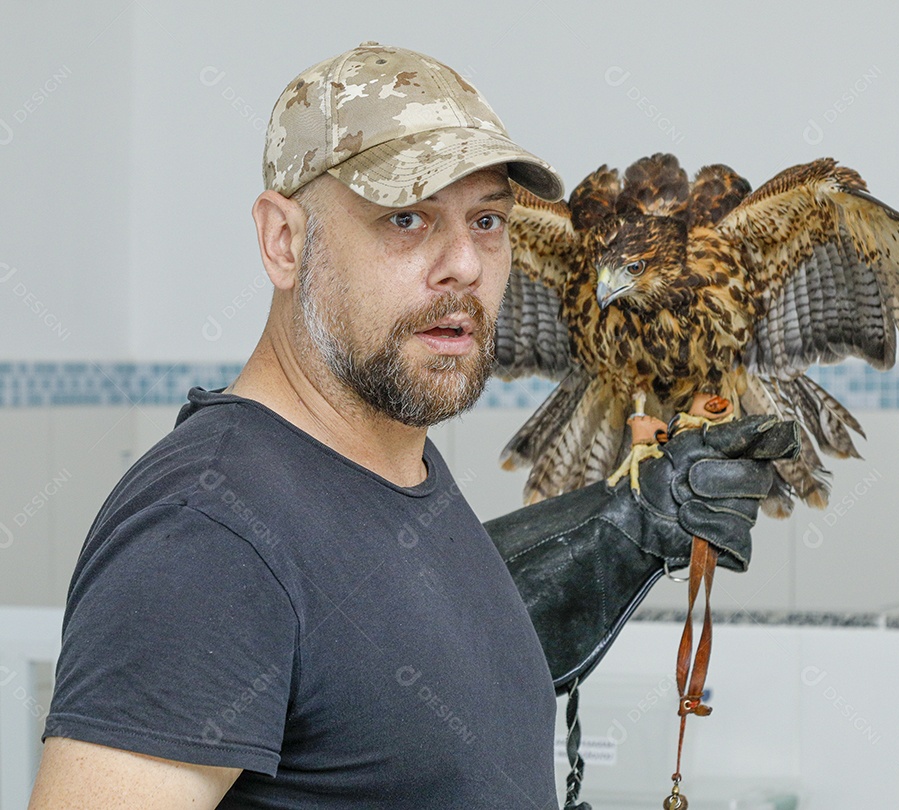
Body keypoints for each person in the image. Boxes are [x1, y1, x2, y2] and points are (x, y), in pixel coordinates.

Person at [29, 43, 797, 809]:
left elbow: (376, 684)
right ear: (284, 241)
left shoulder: (397, 472)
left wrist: (614, 530)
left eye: (488, 220)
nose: (464, 264)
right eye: (406, 218)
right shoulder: (205, 533)